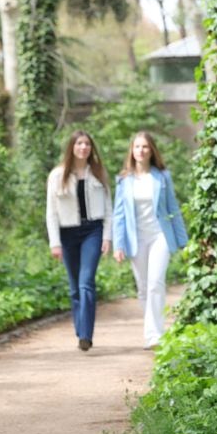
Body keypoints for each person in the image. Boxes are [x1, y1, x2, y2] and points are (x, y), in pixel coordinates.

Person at [112, 131, 188, 349]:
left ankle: (154, 336)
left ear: (151, 150)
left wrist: (183, 241)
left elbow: (173, 208)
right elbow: (119, 215)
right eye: (137, 147)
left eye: (145, 147)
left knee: (156, 283)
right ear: (132, 151)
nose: (141, 151)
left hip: (159, 236)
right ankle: (152, 330)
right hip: (136, 239)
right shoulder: (124, 180)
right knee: (144, 288)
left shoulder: (162, 177)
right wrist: (118, 244)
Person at [46, 130, 112, 352]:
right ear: (72, 147)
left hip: (92, 230)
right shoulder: (57, 175)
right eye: (79, 144)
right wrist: (54, 242)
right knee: (74, 288)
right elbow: (51, 213)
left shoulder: (98, 173)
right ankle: (80, 330)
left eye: (87, 144)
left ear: (91, 148)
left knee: (86, 282)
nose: (83, 148)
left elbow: (109, 209)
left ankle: (86, 335)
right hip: (67, 233)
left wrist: (107, 237)